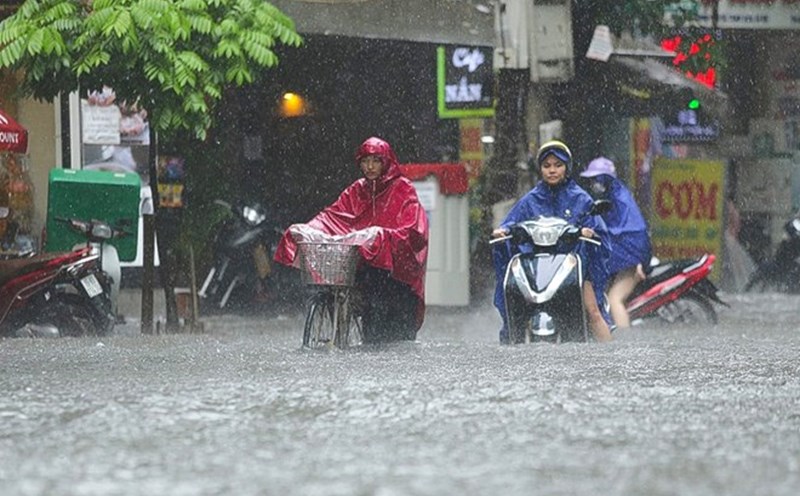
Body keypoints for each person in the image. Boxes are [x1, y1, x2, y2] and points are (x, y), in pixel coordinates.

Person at [275, 136, 429, 343]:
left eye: (376, 161)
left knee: (394, 327)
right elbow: (333, 216)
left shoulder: (403, 189)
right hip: (366, 265)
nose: (370, 167)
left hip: (396, 269)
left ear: (386, 162)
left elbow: (412, 229)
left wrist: (383, 237)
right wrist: (309, 230)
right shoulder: (357, 190)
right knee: (370, 310)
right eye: (365, 161)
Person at [491, 140, 613, 343]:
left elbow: (597, 227)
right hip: (536, 268)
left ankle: (611, 359)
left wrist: (589, 233)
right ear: (540, 169)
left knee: (592, 311)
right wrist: (503, 231)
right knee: (516, 304)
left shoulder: (580, 198)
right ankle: (513, 348)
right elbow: (512, 221)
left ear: (567, 167)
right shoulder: (531, 199)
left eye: (558, 165)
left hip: (574, 267)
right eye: (547, 166)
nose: (552, 170)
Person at [579, 157, 651, 329]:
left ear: (607, 178)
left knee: (614, 300)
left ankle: (624, 343)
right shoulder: (616, 194)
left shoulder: (616, 198)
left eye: (597, 178)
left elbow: (617, 233)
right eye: (592, 179)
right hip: (631, 255)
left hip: (629, 255)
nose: (594, 183)